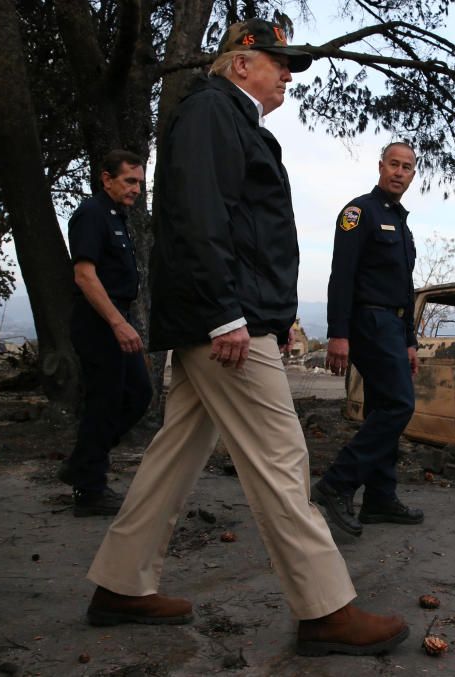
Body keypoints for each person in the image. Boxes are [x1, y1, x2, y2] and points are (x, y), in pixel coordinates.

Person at [82, 19, 408, 657]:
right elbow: (198, 216)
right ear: (240, 64)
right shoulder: (210, 113)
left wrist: (273, 312)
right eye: (278, 62)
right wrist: (226, 314)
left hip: (230, 314)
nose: (287, 74)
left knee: (174, 455)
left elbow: (244, 231)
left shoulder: (233, 121)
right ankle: (325, 610)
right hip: (224, 324)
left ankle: (120, 584)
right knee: (282, 458)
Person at [315, 142, 423, 537]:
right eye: (393, 164)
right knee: (398, 404)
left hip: (394, 326)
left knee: (383, 404)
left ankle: (379, 498)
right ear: (380, 167)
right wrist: (337, 333)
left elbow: (405, 288)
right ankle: (337, 483)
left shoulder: (401, 222)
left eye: (407, 167)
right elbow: (340, 276)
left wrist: (410, 340)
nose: (399, 172)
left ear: (413, 175)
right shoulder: (358, 212)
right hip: (368, 321)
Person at [60, 150, 152, 517]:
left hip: (118, 318)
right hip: (100, 322)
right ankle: (89, 489)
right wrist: (117, 323)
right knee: (105, 401)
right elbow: (85, 275)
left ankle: (83, 463)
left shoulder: (118, 216)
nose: (135, 189)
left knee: (138, 395)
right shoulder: (91, 215)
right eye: (129, 181)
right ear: (106, 178)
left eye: (140, 183)